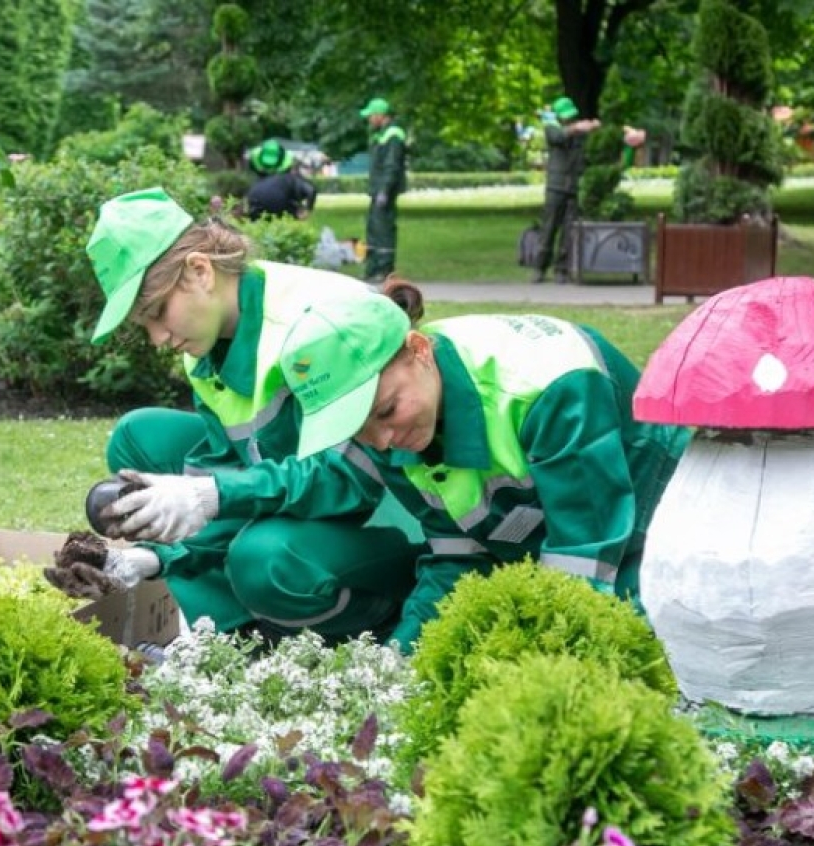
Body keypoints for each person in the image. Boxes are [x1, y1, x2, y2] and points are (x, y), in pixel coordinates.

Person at [83, 187, 426, 645]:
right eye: (143, 326)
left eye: (157, 314)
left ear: (200, 270)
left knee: (264, 558)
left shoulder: (310, 327)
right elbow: (222, 471)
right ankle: (229, 628)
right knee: (138, 437)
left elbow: (345, 480)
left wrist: (212, 494)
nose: (157, 338)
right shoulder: (205, 346)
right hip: (303, 498)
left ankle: (375, 618)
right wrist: (160, 557)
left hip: (390, 513)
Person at [276, 286, 688, 650]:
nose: (381, 441)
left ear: (420, 350)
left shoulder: (549, 387)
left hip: (653, 523)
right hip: (541, 541)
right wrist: (398, 661)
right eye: (357, 429)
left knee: (661, 641)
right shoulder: (404, 421)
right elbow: (458, 554)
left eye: (386, 410)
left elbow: (582, 563)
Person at [531, 97, 600, 284]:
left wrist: (595, 127)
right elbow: (558, 137)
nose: (569, 120)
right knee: (549, 227)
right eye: (566, 117)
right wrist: (578, 128)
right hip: (556, 185)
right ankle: (539, 267)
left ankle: (561, 269)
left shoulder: (579, 131)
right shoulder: (551, 127)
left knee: (569, 231)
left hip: (574, 185)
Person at [359, 98, 407, 283]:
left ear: (380, 115)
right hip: (377, 190)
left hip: (384, 191)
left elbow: (391, 166)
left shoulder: (393, 135)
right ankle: (372, 268)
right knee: (373, 229)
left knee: (384, 230)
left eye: (371, 115)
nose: (369, 119)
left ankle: (385, 270)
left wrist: (384, 191)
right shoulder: (380, 134)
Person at [244, 139, 318, 220]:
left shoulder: (256, 181)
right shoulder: (291, 178)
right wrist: (307, 210)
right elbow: (311, 190)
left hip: (255, 212)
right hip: (282, 211)